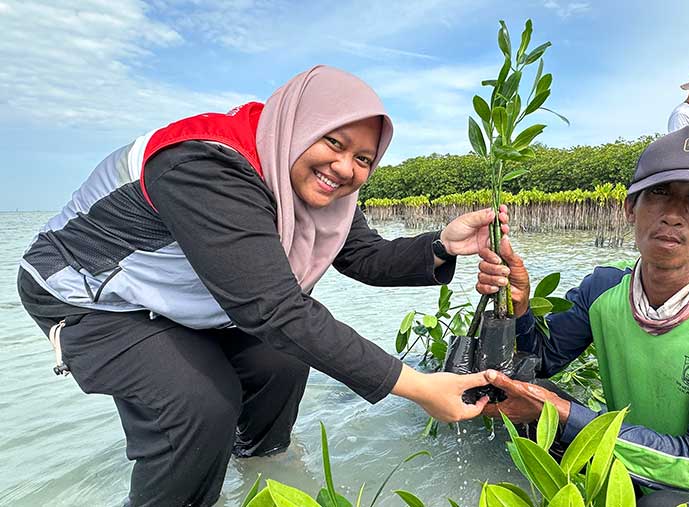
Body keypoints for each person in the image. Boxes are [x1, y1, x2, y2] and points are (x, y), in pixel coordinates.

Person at [17, 65, 500, 507]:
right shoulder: (204, 164)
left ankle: (261, 469)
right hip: (93, 293)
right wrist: (417, 387)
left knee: (283, 360)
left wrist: (442, 245)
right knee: (198, 406)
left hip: (193, 295)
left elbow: (363, 257)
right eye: (334, 142)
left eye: (364, 158)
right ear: (300, 125)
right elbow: (273, 309)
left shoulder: (309, 182)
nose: (347, 168)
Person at [476, 126, 689, 507]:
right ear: (630, 207)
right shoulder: (605, 286)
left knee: (657, 503)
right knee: (522, 397)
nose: (674, 215)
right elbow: (541, 360)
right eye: (659, 193)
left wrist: (565, 415)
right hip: (627, 472)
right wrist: (519, 307)